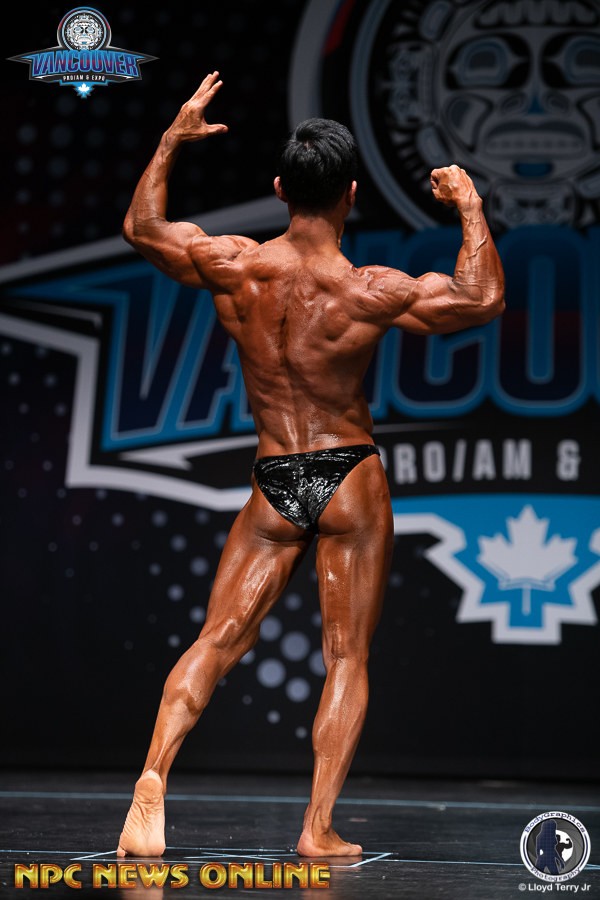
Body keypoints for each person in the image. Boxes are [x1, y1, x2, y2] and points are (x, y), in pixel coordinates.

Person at [116, 71, 505, 859]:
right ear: (352, 194)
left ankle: (154, 772)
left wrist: (170, 141)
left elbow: (144, 229)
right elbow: (481, 299)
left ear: (279, 189)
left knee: (217, 638)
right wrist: (469, 205)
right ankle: (315, 827)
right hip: (347, 472)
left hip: (274, 477)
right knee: (346, 656)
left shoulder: (234, 265)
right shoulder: (367, 289)